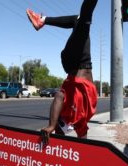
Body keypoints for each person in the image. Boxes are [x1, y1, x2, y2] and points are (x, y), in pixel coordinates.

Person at [26, 0, 98, 145]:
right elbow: (83, 135)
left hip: (73, 68)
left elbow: (59, 96)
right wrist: (52, 126)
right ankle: (43, 21)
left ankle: (43, 21)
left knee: (80, 19)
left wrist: (51, 126)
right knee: (82, 19)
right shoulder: (79, 119)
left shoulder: (67, 115)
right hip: (79, 70)